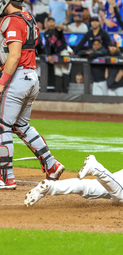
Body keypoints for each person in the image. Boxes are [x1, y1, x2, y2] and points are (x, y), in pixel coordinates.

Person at [0, 0, 65, 190]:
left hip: (17, 76)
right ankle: (52, 165)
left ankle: (6, 177)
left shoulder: (12, 20)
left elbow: (14, 55)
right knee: (21, 126)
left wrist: (2, 82)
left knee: (2, 126)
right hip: (31, 76)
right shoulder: (29, 17)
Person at [45, 17, 73, 94]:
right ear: (47, 23)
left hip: (64, 51)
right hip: (56, 53)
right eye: (49, 22)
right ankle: (58, 91)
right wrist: (49, 55)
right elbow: (48, 46)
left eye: (52, 22)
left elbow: (60, 29)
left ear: (54, 23)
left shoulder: (57, 30)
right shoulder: (46, 33)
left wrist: (61, 27)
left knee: (65, 72)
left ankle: (65, 92)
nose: (51, 23)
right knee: (57, 73)